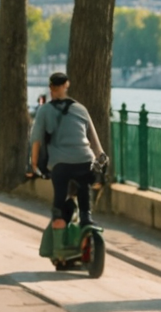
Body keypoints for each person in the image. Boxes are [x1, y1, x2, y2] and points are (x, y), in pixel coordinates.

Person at [28, 71, 109, 231]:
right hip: (86, 160)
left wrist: (34, 164)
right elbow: (95, 143)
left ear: (51, 87)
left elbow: (36, 140)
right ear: (67, 86)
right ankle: (86, 217)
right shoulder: (81, 109)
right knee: (83, 184)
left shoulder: (44, 111)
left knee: (61, 189)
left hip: (60, 164)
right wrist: (100, 161)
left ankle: (58, 219)